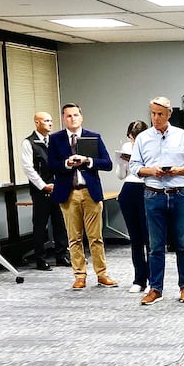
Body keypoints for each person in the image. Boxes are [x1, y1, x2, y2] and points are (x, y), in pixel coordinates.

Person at [134, 96, 184, 305]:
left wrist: (178, 170)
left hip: (179, 193)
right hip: (153, 195)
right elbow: (134, 167)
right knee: (155, 246)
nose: (156, 118)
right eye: (153, 113)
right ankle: (155, 289)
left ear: (169, 114)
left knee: (183, 244)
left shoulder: (182, 136)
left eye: (160, 114)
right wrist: (151, 171)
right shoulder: (143, 138)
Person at [46, 102, 116, 290]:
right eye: (68, 116)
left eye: (76, 115)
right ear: (63, 119)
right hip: (69, 194)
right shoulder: (55, 139)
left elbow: (107, 163)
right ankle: (79, 275)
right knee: (74, 238)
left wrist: (88, 160)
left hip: (90, 192)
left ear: (81, 117)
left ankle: (102, 274)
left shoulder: (93, 137)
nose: (73, 118)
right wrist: (67, 164)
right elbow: (50, 165)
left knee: (96, 237)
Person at [18, 111, 67, 271]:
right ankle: (40, 259)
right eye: (46, 121)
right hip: (40, 190)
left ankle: (61, 256)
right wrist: (43, 185)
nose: (50, 123)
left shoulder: (54, 141)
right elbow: (28, 168)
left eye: (51, 120)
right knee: (40, 225)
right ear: (37, 123)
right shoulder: (29, 143)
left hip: (57, 188)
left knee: (60, 223)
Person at [115, 120, 150, 292]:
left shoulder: (152, 147)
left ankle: (154, 278)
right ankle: (139, 279)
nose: (134, 142)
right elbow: (121, 175)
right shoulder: (127, 148)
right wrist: (122, 163)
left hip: (146, 189)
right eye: (131, 138)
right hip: (129, 190)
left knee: (150, 238)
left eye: (137, 138)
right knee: (135, 239)